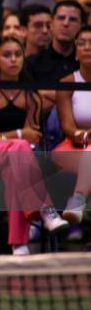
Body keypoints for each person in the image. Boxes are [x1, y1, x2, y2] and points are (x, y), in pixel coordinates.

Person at [0, 37, 69, 255]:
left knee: (16, 167)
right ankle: (45, 210)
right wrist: (18, 134)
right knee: (20, 147)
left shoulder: (31, 96)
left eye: (18, 54)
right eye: (7, 55)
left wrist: (10, 138)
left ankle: (19, 246)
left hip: (14, 160)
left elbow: (34, 140)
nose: (13, 60)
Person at [53, 25, 91, 224]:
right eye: (81, 43)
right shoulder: (67, 82)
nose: (87, 47)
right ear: (76, 52)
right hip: (72, 147)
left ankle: (77, 199)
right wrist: (85, 136)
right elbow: (67, 126)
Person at [26, 0, 85, 109]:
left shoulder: (86, 65)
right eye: (61, 18)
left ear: (81, 26)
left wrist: (47, 94)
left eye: (72, 19)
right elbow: (32, 102)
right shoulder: (31, 64)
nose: (66, 23)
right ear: (51, 24)